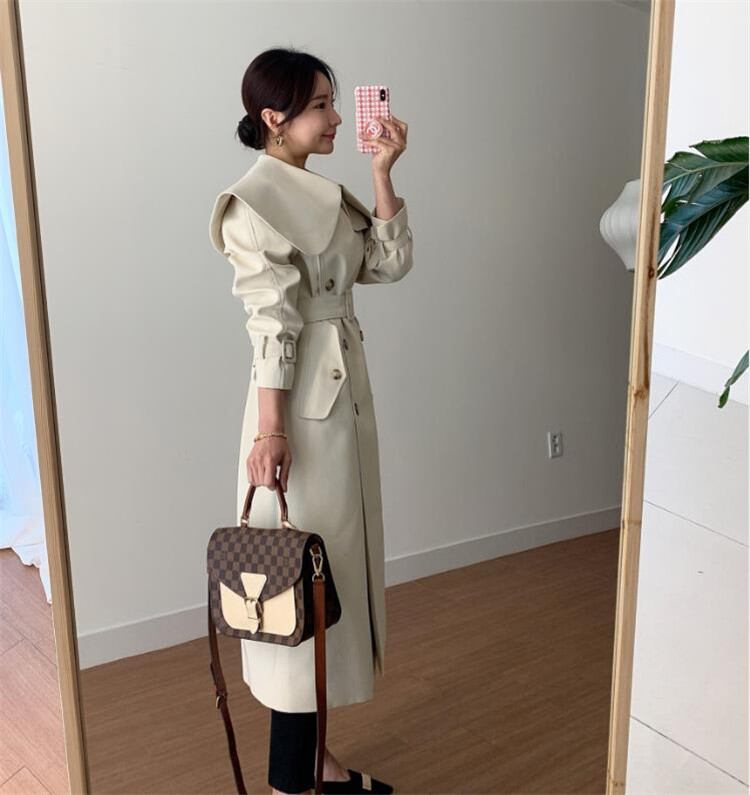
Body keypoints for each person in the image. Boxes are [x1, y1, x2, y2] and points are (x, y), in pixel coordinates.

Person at [208, 48, 413, 794]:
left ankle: (312, 761)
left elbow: (388, 265)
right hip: (297, 417)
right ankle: (292, 779)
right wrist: (272, 432)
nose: (334, 117)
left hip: (340, 405)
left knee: (323, 585)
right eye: (320, 105)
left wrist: (383, 174)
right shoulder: (253, 204)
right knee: (295, 583)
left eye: (332, 102)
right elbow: (272, 325)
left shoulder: (321, 192)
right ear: (275, 118)